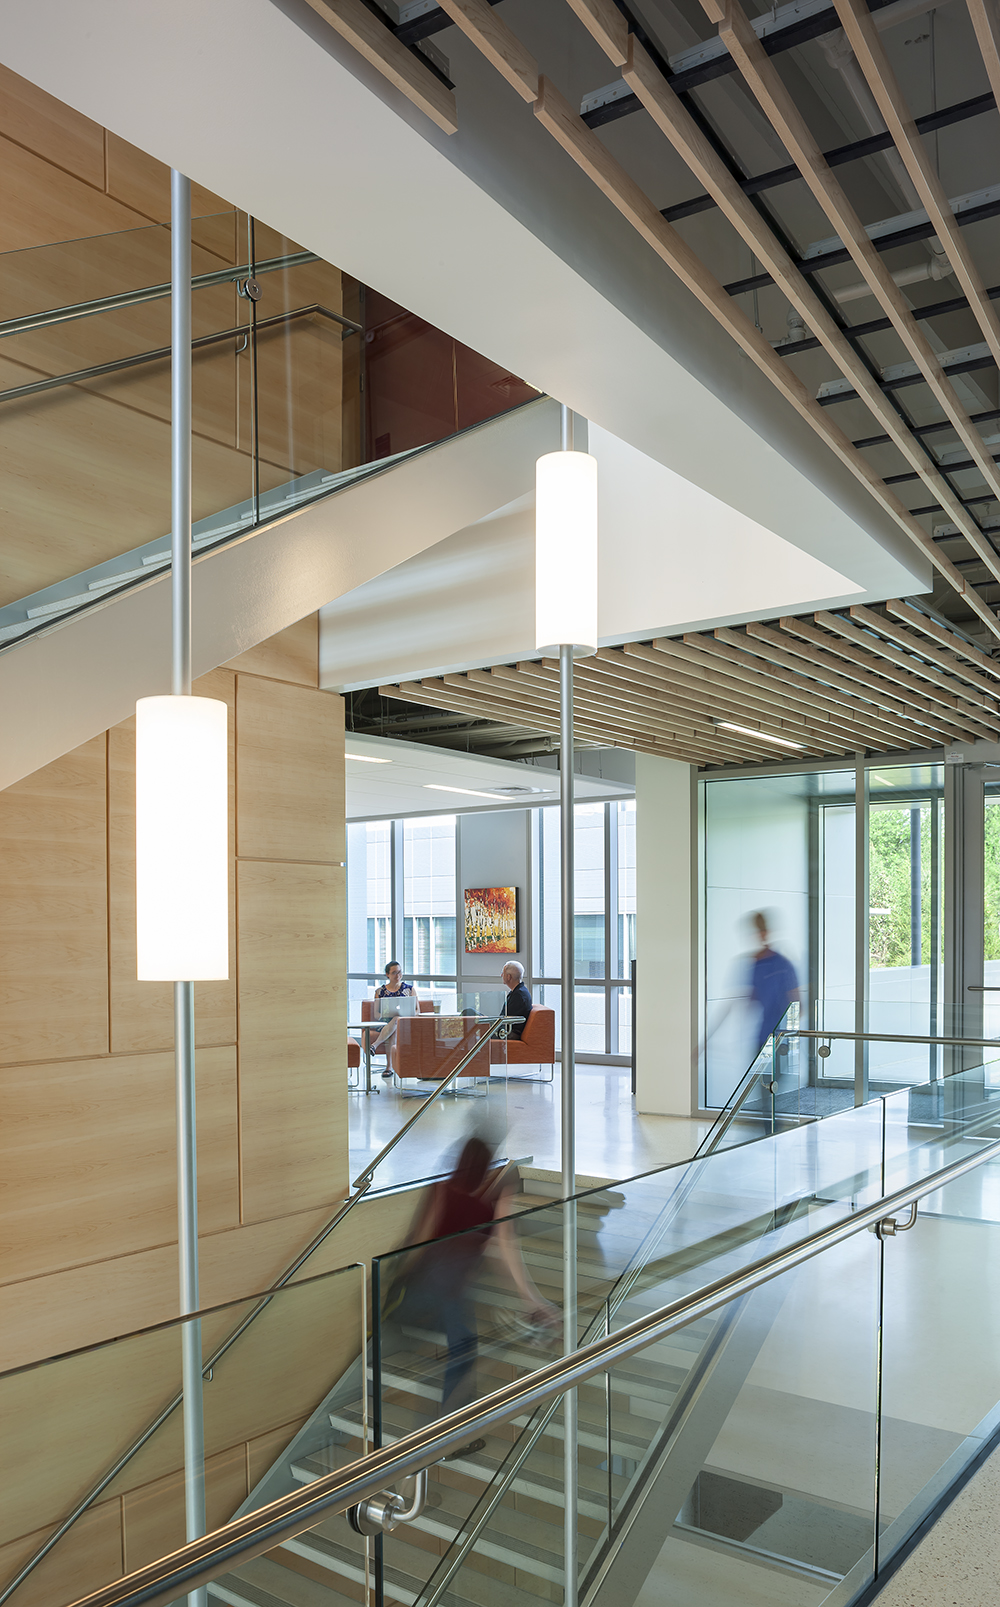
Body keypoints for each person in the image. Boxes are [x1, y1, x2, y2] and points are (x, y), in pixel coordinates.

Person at [386, 1135, 559, 1454]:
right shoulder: (494, 1199)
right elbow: (506, 1250)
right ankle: (452, 1438)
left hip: (427, 1279)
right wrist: (531, 1299)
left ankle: (392, 1326)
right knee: (464, 1349)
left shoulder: (441, 1188)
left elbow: (420, 1239)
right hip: (452, 1286)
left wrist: (396, 1279)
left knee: (454, 1337)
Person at [747, 911, 799, 1052]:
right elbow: (752, 1000)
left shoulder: (782, 965)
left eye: (761, 930)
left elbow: (797, 1002)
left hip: (780, 1039)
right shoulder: (756, 965)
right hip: (763, 1037)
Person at [372, 960, 417, 1078]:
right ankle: (390, 1067)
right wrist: (386, 1014)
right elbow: (376, 1014)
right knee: (394, 1025)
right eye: (394, 973)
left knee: (397, 1019)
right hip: (385, 1023)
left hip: (406, 1022)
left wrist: (407, 1014)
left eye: (399, 972)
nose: (398, 975)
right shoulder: (379, 992)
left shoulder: (409, 989)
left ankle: (376, 1048)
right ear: (387, 974)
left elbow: (417, 1010)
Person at [501, 960, 532, 1040]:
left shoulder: (519, 995)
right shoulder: (519, 991)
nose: (501, 975)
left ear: (509, 977)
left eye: (503, 973)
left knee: (469, 1012)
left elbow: (506, 1020)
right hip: (505, 1029)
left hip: (507, 1033)